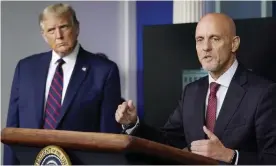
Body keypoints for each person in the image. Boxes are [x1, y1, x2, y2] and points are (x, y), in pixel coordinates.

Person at [115, 13, 276, 164]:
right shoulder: (191, 91)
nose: (206, 47)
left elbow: (271, 158)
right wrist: (133, 124)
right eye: (200, 39)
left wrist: (230, 156)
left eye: (215, 38)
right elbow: (167, 142)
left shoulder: (263, 93)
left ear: (234, 44)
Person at [4, 3, 122, 165]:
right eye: (51, 30)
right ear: (44, 35)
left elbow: (108, 137)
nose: (58, 35)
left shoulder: (103, 71)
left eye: (64, 27)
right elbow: (12, 131)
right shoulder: (25, 68)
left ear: (77, 28)